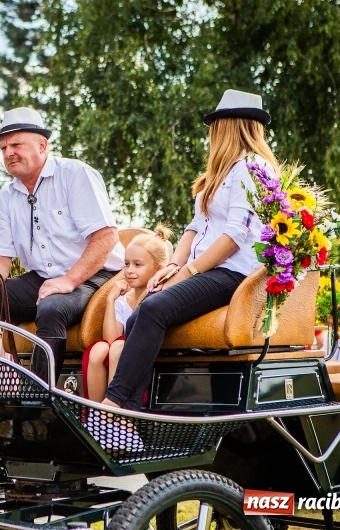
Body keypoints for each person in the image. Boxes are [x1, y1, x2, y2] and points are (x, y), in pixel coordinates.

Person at [103, 89, 275, 411]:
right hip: (206, 268)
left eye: (215, 126)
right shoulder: (219, 174)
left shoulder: (254, 168)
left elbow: (234, 236)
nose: (211, 134)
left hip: (232, 273)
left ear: (229, 126)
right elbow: (194, 228)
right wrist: (173, 265)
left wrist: (188, 272)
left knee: (153, 309)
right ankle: (143, 410)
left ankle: (116, 404)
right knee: (138, 315)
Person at [0, 107, 124, 384]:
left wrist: (69, 280)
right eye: (3, 148)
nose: (8, 153)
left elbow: (105, 238)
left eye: (16, 144)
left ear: (42, 145)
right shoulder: (6, 197)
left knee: (50, 307)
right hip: (43, 279)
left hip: (96, 276)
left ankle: (36, 394)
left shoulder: (75, 175)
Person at [82, 226, 173, 402]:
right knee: (100, 348)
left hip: (137, 363)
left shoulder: (159, 299)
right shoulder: (123, 300)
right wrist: (111, 300)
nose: (129, 270)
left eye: (137, 265)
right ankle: (96, 414)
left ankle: (116, 413)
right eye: (126, 264)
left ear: (158, 269)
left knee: (119, 347)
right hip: (117, 354)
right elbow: (111, 339)